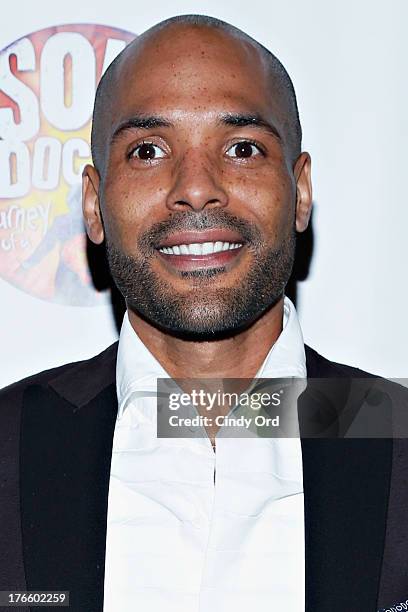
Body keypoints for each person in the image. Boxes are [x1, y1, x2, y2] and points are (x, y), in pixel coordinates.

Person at [0, 14, 407, 612]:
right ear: (94, 202)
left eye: (242, 148)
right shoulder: (8, 443)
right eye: (148, 150)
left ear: (300, 191)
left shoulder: (394, 430)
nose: (195, 186)